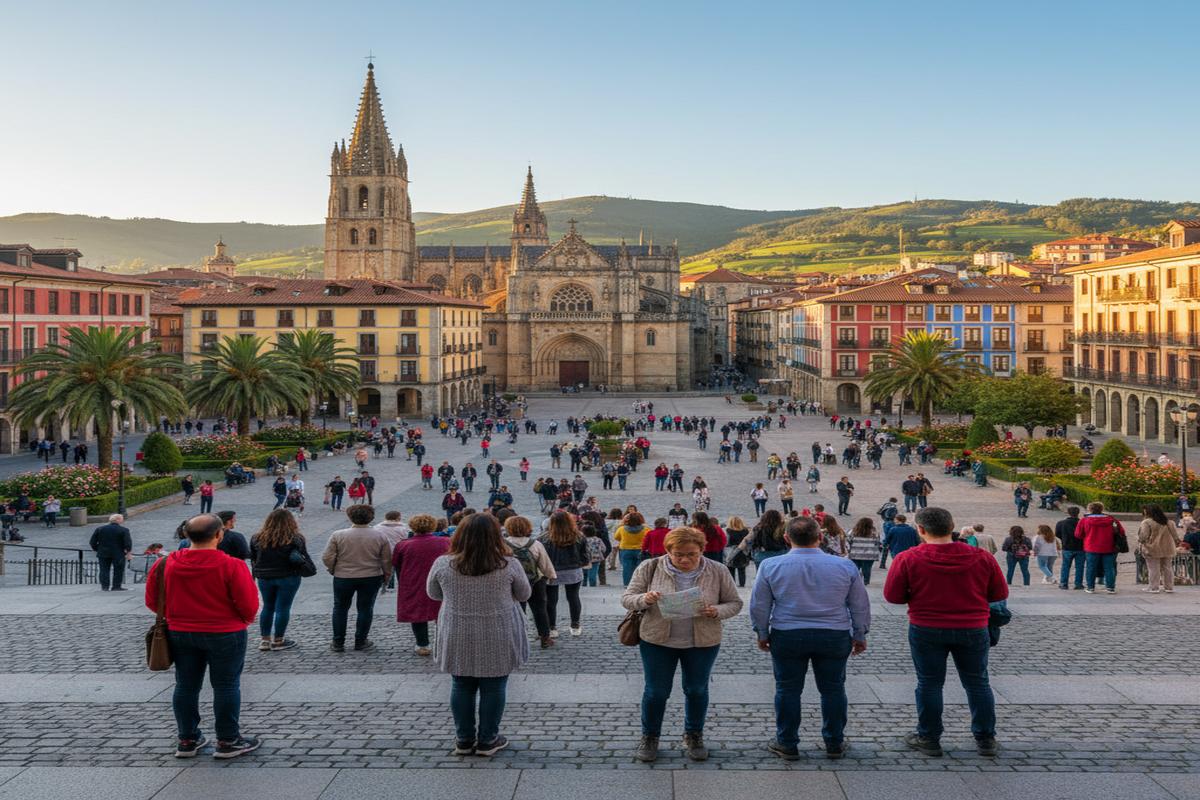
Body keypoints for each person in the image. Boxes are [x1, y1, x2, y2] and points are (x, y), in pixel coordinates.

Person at [883, 506, 1007, 759]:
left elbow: (893, 596)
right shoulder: (981, 557)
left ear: (920, 529)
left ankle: (928, 737)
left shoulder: (908, 558)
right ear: (952, 527)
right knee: (977, 683)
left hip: (926, 627)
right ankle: (985, 738)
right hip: (973, 627)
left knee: (929, 683)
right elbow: (999, 594)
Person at [751, 516, 869, 760]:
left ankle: (787, 742)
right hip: (834, 634)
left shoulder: (770, 566)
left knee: (787, 689)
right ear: (821, 537)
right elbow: (859, 605)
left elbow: (760, 605)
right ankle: (834, 742)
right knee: (834, 689)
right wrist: (859, 633)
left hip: (788, 633)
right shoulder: (845, 566)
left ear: (786, 538)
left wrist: (762, 632)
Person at [622, 527, 743, 763]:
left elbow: (734, 603)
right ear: (668, 551)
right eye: (679, 554)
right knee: (656, 692)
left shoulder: (717, 570)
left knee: (696, 689)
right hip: (658, 639)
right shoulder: (650, 567)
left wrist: (716, 611)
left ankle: (694, 734)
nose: (685, 559)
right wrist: (644, 599)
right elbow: (627, 598)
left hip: (702, 641)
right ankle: (650, 737)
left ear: (701, 551)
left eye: (692, 554)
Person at [145, 513, 261, 759]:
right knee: (226, 685)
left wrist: (179, 616)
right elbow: (249, 605)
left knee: (185, 685)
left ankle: (187, 739)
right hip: (225, 632)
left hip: (180, 632)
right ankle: (228, 740)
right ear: (219, 535)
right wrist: (240, 621)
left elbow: (153, 601)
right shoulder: (232, 565)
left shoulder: (165, 564)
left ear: (186, 535)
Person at [427, 512, 531, 757]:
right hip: (498, 629)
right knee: (494, 685)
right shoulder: (508, 563)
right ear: (496, 535)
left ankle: (464, 739)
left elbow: (433, 593)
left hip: (457, 629)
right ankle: (488, 739)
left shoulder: (444, 563)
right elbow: (525, 594)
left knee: (461, 683)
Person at [321, 505, 393, 652]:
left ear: (350, 516)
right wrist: (387, 575)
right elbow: (386, 559)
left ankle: (338, 642)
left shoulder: (338, 535)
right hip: (371, 576)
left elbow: (327, 557)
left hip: (344, 576)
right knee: (365, 609)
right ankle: (361, 640)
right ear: (371, 517)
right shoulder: (380, 536)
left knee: (340, 608)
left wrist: (333, 569)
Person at [249, 509, 314, 652]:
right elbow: (303, 556)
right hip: (288, 576)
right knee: (283, 608)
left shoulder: (257, 538)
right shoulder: (295, 538)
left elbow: (253, 558)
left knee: (268, 607)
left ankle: (265, 640)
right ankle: (278, 640)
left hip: (265, 577)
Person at [393, 513, 451, 656]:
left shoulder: (403, 545)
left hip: (414, 581)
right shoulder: (445, 542)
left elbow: (396, 565)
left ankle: (422, 644)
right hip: (440, 581)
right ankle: (442, 642)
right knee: (442, 611)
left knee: (418, 613)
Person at [503, 515, 556, 648]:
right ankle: (544, 637)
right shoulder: (535, 544)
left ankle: (518, 637)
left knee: (516, 610)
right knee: (539, 609)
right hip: (535, 581)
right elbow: (545, 563)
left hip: (511, 582)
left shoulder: (503, 544)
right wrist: (551, 576)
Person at [539, 511, 589, 637]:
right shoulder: (579, 536)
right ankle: (575, 625)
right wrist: (580, 563)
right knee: (573, 597)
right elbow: (586, 556)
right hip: (573, 570)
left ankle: (552, 628)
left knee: (551, 600)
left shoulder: (543, 538)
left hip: (552, 571)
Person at [1078, 502, 1124, 594]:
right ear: (1102, 509)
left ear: (1090, 509)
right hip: (1109, 547)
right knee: (1109, 568)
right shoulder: (1112, 520)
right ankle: (1110, 587)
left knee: (1091, 567)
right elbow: (1121, 532)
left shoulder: (1084, 520)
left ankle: (1090, 587)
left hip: (1091, 547)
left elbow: (1078, 534)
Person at [1138, 504, 1180, 593]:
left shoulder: (1147, 522)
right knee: (1167, 568)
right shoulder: (1169, 522)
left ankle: (1154, 587)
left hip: (1152, 548)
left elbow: (1143, 536)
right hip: (1168, 548)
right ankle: (1169, 587)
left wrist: (1140, 542)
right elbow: (1176, 537)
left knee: (1153, 568)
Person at [90, 513, 132, 591]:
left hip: (103, 553)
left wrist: (98, 549)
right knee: (118, 570)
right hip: (118, 553)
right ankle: (116, 586)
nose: (123, 520)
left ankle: (105, 586)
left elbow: (92, 542)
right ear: (118, 520)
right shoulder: (124, 530)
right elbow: (127, 543)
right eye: (122, 519)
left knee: (104, 570)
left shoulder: (100, 529)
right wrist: (128, 552)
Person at [613, 512, 648, 586]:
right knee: (640, 568)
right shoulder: (646, 529)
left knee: (627, 568)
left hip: (625, 549)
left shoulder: (622, 529)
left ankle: (627, 584)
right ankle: (639, 584)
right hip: (640, 550)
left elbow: (616, 537)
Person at [847, 517, 883, 585]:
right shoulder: (874, 532)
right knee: (867, 568)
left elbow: (848, 540)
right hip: (870, 554)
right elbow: (878, 542)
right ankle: (866, 581)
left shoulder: (853, 531)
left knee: (855, 568)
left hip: (855, 553)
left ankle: (855, 581)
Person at [1056, 507, 1085, 590]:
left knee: (1065, 566)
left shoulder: (1061, 523)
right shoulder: (1082, 522)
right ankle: (1078, 584)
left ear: (1068, 512)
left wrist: (1064, 539)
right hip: (1080, 547)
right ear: (1078, 513)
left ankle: (1063, 583)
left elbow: (1057, 533)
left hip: (1067, 547)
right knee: (1080, 567)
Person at [724, 515, 751, 587]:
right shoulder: (745, 531)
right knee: (742, 569)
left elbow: (726, 542)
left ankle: (732, 584)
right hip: (742, 551)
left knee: (731, 569)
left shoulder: (728, 531)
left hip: (731, 552)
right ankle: (742, 583)